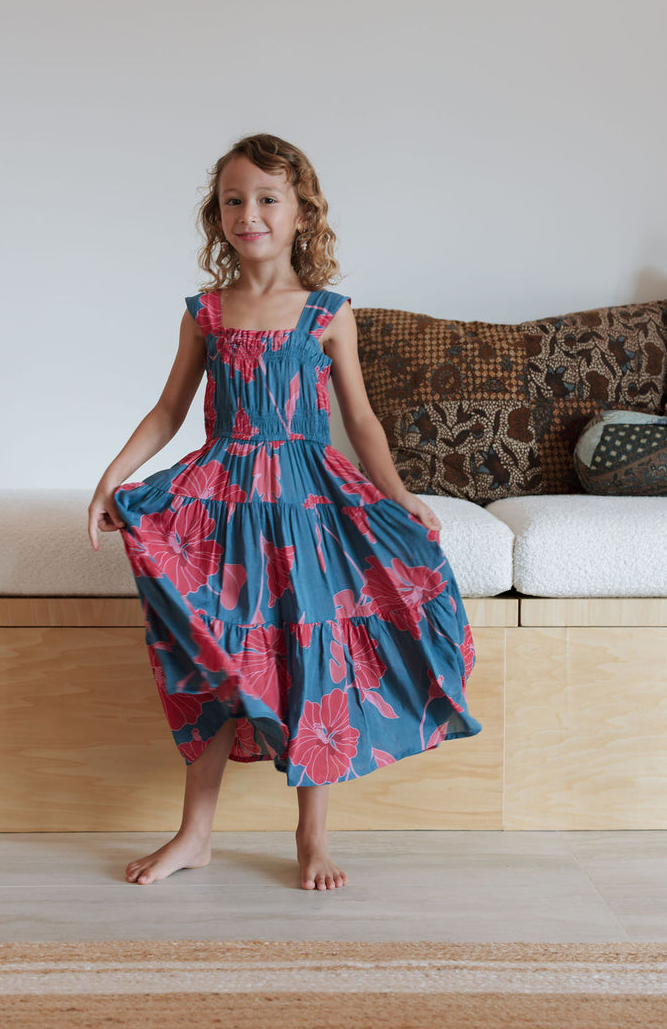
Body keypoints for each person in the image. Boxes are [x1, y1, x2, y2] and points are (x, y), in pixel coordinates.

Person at [88, 132, 482, 892]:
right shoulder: (206, 312)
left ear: (302, 213)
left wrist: (397, 495)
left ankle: (311, 836)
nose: (249, 212)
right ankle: (194, 834)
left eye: (267, 198)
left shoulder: (328, 313)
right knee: (211, 658)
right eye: (234, 199)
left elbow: (359, 420)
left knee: (310, 659)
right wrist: (114, 475)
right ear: (219, 213)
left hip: (305, 504)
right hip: (224, 498)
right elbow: (171, 408)